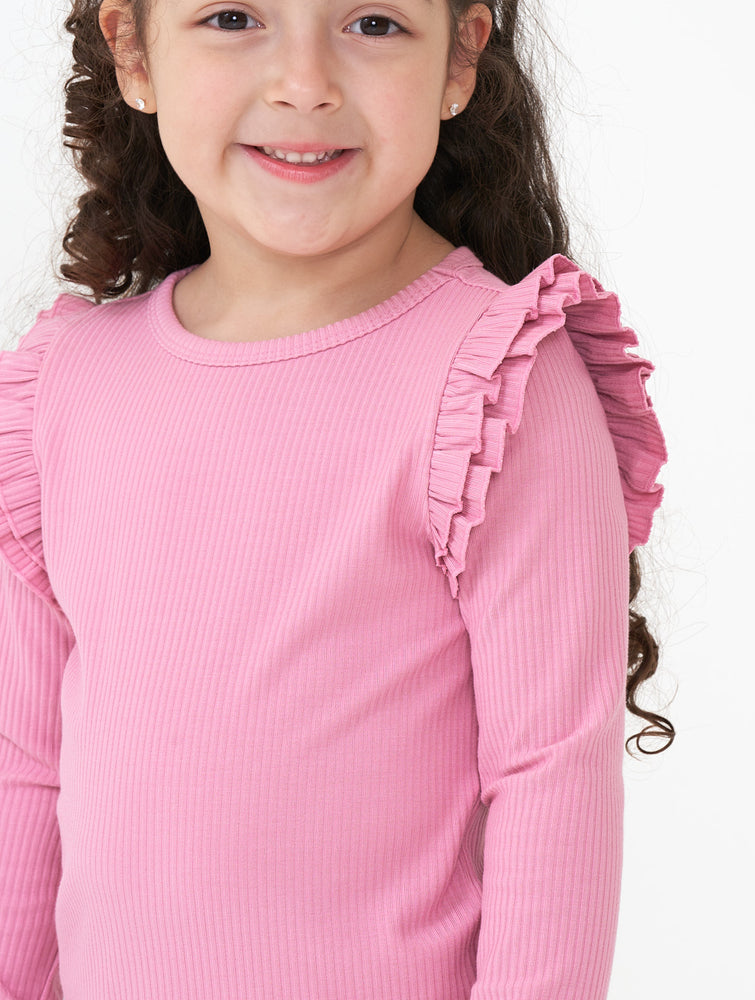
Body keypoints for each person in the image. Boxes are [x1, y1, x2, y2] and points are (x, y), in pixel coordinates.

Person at [0, 0, 673, 995]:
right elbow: (23, 761)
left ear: (461, 58)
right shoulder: (68, 380)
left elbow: (550, 777)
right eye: (232, 17)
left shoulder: (493, 380)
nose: (305, 80)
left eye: (373, 23)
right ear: (133, 51)